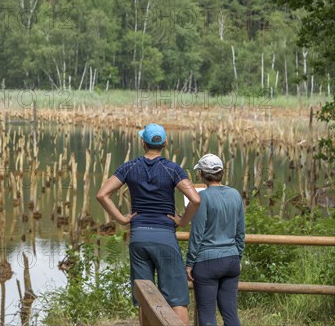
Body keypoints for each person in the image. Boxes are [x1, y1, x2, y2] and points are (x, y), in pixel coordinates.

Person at [96, 123, 201, 326]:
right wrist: (182, 221)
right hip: (165, 238)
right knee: (177, 298)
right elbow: (195, 200)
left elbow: (102, 194)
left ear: (142, 142)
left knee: (145, 297)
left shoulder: (129, 167)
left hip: (139, 237)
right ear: (165, 144)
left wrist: (122, 218)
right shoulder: (173, 170)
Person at [186, 154, 245, 326]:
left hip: (207, 262)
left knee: (207, 315)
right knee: (231, 313)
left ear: (202, 174)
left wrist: (189, 262)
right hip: (231, 259)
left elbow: (197, 234)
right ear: (222, 173)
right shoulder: (235, 195)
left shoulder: (201, 198)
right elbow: (241, 232)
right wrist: (238, 256)